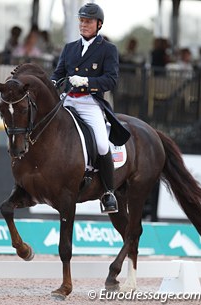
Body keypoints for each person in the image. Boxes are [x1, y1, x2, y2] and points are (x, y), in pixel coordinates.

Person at [51, 3, 130, 213]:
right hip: (67, 100)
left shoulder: (108, 49)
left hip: (89, 102)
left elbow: (111, 80)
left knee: (103, 145)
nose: (84, 25)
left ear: (99, 24)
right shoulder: (69, 48)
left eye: (88, 22)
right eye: (82, 21)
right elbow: (58, 73)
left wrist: (86, 81)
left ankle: (108, 192)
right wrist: (52, 82)